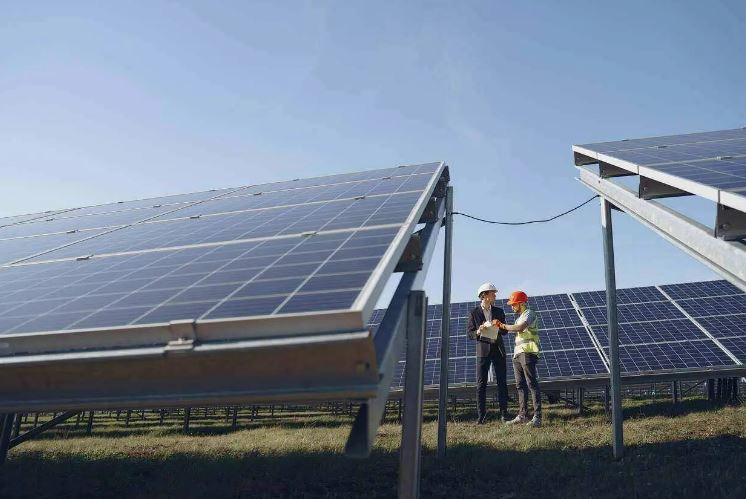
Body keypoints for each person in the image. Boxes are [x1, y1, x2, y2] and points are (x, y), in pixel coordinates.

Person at [494, 290, 542, 428]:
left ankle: (537, 417)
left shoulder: (529, 314)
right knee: (520, 385)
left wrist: (502, 326)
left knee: (531, 384)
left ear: (521, 303)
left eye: (514, 304)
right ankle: (522, 415)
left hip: (528, 352)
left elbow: (520, 328)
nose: (512, 307)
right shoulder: (519, 316)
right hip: (518, 354)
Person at [466, 282, 509, 424]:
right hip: (483, 352)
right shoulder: (474, 313)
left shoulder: (499, 311)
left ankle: (504, 414)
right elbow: (470, 334)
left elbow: (505, 331)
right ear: (484, 295)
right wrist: (479, 330)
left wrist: (499, 325)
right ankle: (481, 416)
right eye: (492, 293)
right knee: (481, 384)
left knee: (502, 382)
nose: (495, 295)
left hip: (498, 350)